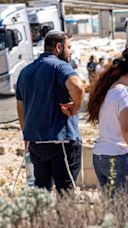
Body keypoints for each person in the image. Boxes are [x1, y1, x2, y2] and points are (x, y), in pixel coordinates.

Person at [16, 30, 85, 192]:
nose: (71, 51)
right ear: (59, 47)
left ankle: (43, 219)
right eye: (69, 47)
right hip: (61, 142)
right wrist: (76, 106)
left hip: (36, 144)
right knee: (66, 195)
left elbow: (21, 107)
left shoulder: (26, 71)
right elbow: (77, 86)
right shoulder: (60, 66)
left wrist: (27, 136)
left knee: (42, 194)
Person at [87, 46, 128, 194]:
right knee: (123, 214)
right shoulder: (126, 94)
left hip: (101, 157)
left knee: (113, 213)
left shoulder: (110, 90)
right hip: (120, 159)